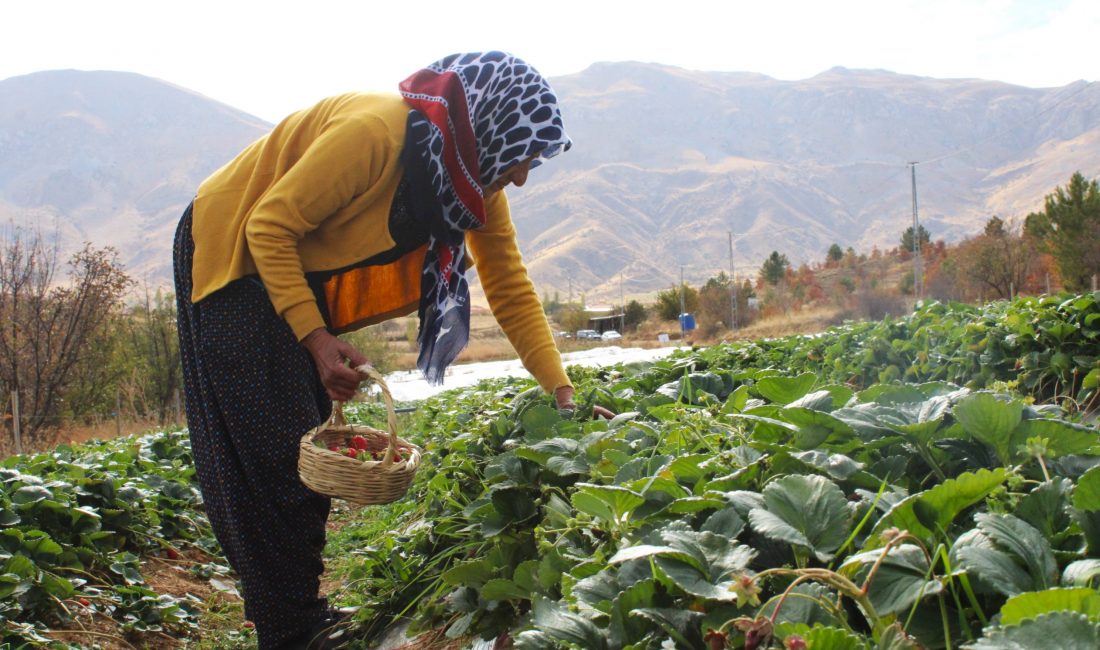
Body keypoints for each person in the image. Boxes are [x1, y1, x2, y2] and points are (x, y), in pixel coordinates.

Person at [173, 52, 601, 649]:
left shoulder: (475, 186)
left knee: (305, 441)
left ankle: (298, 613)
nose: (524, 176)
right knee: (273, 447)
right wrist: (317, 338)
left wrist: (561, 391)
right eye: (524, 156)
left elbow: (509, 285)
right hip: (232, 248)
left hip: (290, 267)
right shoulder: (375, 133)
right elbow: (267, 226)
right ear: (490, 127)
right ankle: (289, 628)